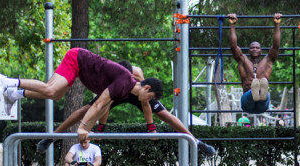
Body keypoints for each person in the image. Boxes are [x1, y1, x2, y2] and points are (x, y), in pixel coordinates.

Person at [35, 60, 215, 156]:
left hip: (136, 93)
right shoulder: (115, 76)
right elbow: (103, 105)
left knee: (166, 115)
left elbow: (145, 103)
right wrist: (101, 130)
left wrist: (151, 129)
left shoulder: (138, 77)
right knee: (84, 110)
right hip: (115, 90)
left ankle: (197, 142)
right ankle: (52, 137)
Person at [0, 47, 163, 144]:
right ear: (146, 88)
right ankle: (8, 81)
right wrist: (82, 127)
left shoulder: (125, 90)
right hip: (77, 59)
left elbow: (102, 108)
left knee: (55, 96)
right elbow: (97, 105)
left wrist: (90, 130)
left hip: (79, 69)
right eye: (150, 97)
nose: (147, 102)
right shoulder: (125, 81)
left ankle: (14, 94)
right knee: (50, 89)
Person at [228, 13, 282, 114]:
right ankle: (255, 92)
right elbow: (233, 47)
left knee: (263, 95)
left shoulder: (268, 61)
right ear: (248, 50)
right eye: (252, 47)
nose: (254, 49)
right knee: (252, 94)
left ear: (261, 51)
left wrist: (277, 25)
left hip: (263, 105)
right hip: (247, 103)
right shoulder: (243, 60)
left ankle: (260, 92)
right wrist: (232, 25)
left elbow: (276, 46)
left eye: (257, 47)